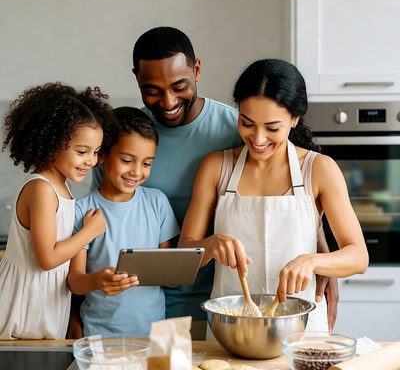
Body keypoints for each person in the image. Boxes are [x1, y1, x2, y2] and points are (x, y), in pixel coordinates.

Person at [91, 27, 338, 338]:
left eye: (179, 86)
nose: (167, 101)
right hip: (131, 305)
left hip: (216, 301)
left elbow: (286, 192)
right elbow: (95, 229)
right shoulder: (121, 138)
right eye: (152, 90)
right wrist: (77, 307)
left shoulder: (238, 130)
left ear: (197, 70)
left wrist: (320, 255)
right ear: (136, 78)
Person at [178, 58, 369, 332]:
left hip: (302, 329)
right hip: (231, 328)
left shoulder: (318, 169)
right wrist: (209, 245)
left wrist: (312, 261)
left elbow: (358, 257)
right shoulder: (216, 168)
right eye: (247, 123)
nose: (257, 138)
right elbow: (185, 254)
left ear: (294, 119)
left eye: (272, 128)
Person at [0, 82, 114, 339]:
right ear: (51, 143)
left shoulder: (63, 189)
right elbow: (48, 259)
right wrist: (90, 231)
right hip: (22, 306)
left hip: (46, 305)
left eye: (95, 152)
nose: (91, 161)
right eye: (82, 151)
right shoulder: (41, 189)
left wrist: (72, 317)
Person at [67, 107, 180, 336]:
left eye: (147, 163)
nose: (136, 172)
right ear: (103, 155)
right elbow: (74, 281)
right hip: (99, 335)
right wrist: (98, 281)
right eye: (127, 160)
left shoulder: (157, 203)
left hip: (153, 335)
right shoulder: (81, 211)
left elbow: (167, 274)